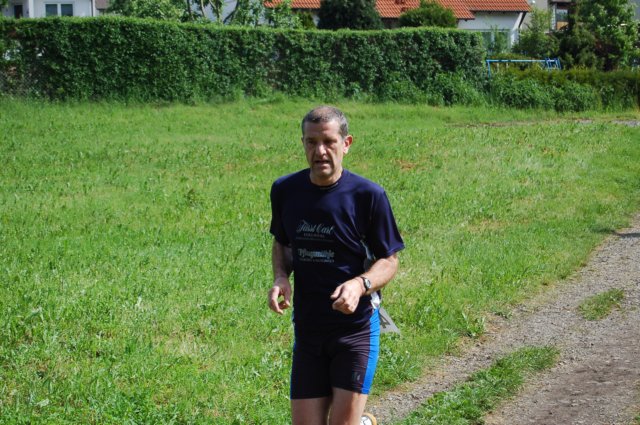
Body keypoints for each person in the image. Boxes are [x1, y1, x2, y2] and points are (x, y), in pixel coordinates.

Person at [268, 106, 404, 425]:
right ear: (303, 143)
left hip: (355, 329)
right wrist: (281, 277)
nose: (320, 151)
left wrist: (360, 284)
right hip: (308, 327)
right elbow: (283, 243)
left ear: (346, 143)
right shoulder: (285, 190)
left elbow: (389, 260)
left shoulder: (368, 196)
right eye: (311, 142)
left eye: (329, 142)